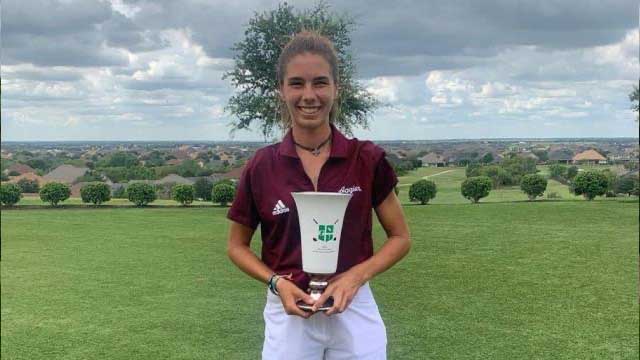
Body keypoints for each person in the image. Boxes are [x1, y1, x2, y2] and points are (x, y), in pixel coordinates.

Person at [227, 30, 411, 359]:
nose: (309, 95)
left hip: (353, 306)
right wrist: (276, 283)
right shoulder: (262, 165)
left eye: (320, 82)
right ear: (281, 90)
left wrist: (355, 277)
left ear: (336, 89)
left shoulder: (365, 159)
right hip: (288, 312)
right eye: (297, 83)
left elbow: (400, 238)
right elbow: (236, 246)